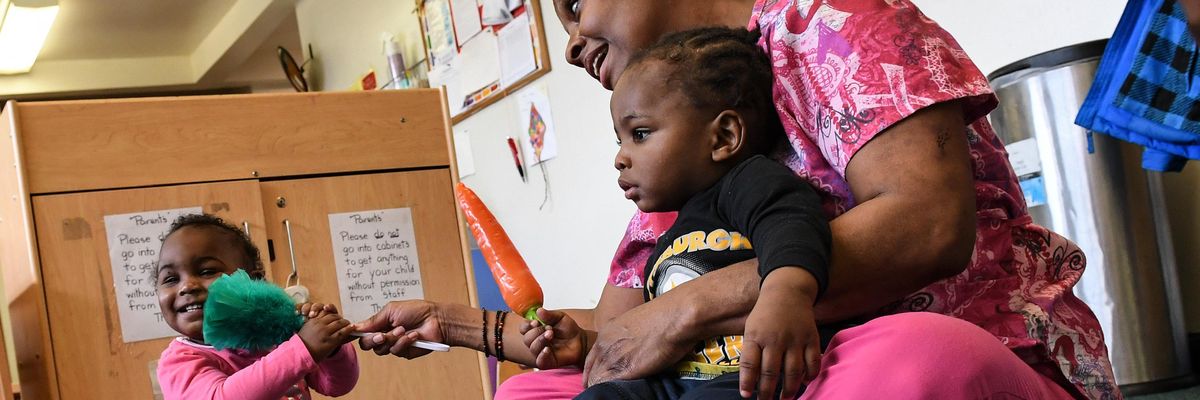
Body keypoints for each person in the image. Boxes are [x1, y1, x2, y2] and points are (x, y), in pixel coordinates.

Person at [358, 1, 1119, 398]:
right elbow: (619, 339)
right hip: (752, 375)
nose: (571, 43)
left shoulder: (830, 25)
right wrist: (452, 322)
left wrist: (688, 308)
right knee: (534, 396)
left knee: (920, 361)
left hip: (919, 354)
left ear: (730, 132)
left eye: (573, 2)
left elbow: (929, 224)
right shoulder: (673, 170)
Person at [519, 27, 832, 399]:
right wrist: (586, 344)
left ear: (723, 136)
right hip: (671, 381)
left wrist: (786, 294)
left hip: (748, 374)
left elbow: (793, 227)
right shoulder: (671, 235)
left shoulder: (750, 181)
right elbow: (649, 330)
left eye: (640, 133)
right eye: (620, 141)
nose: (620, 157)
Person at [155, 214, 359, 399]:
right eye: (171, 278)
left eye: (207, 271)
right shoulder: (179, 362)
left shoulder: (276, 337)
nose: (186, 286)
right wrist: (304, 348)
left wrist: (331, 346)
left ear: (254, 283)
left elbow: (337, 385)